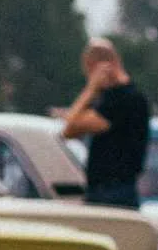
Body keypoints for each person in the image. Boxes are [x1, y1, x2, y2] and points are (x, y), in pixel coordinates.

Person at [61, 38, 150, 208]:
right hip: (107, 190)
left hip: (113, 192)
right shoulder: (111, 98)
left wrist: (90, 89)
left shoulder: (124, 99)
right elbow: (70, 132)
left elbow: (70, 124)